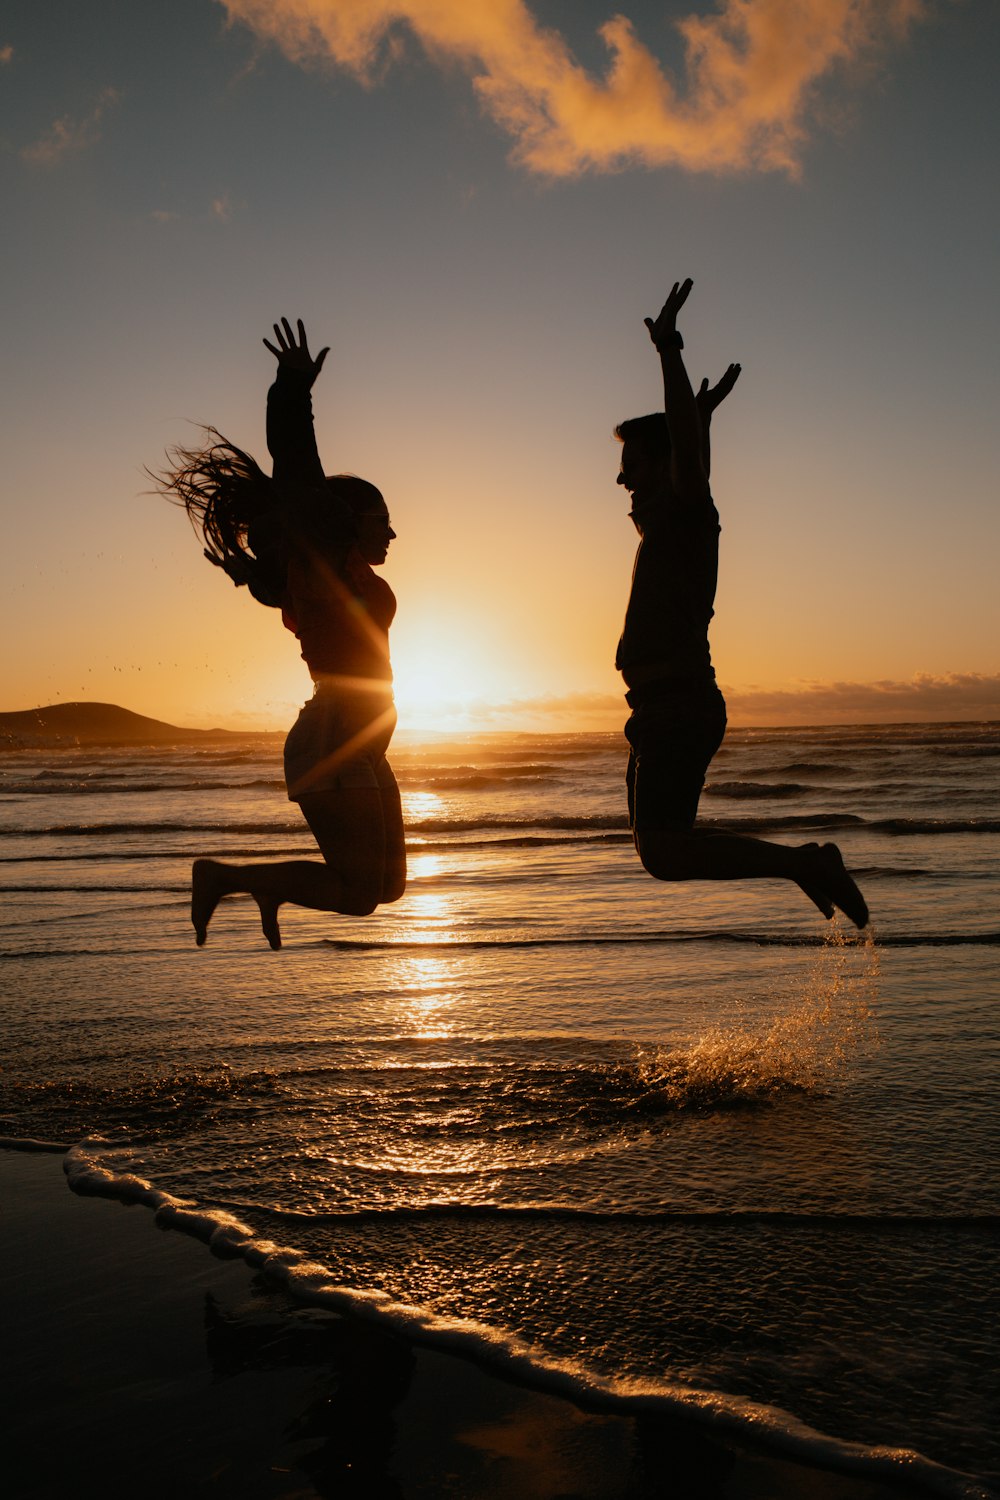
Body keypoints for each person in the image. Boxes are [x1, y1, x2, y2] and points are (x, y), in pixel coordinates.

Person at [614, 279, 868, 927]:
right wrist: (700, 425)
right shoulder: (663, 529)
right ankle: (804, 864)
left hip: (679, 704)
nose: (622, 478)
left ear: (667, 466)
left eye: (633, 464)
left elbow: (688, 468)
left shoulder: (685, 516)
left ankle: (806, 864)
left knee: (666, 853)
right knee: (661, 851)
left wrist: (669, 350)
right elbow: (687, 458)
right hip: (655, 709)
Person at [157, 318, 406, 949]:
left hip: (362, 740)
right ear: (348, 520)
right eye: (384, 519)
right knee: (355, 895)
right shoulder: (323, 552)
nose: (393, 533)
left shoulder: (332, 572)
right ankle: (233, 878)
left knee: (388, 887)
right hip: (335, 735)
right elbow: (298, 467)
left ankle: (256, 881)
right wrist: (293, 388)